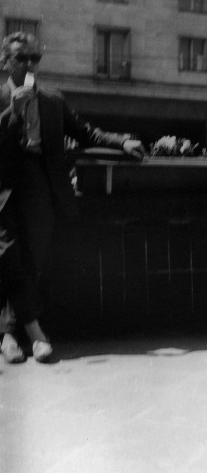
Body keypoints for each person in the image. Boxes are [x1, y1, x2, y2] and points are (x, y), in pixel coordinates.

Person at [0, 32, 145, 363]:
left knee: (32, 259)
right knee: (7, 255)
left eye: (35, 58)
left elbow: (85, 131)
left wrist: (122, 141)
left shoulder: (52, 100)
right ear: (5, 62)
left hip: (39, 182)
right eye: (21, 58)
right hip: (3, 187)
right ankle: (34, 332)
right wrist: (12, 111)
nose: (29, 64)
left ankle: (8, 334)